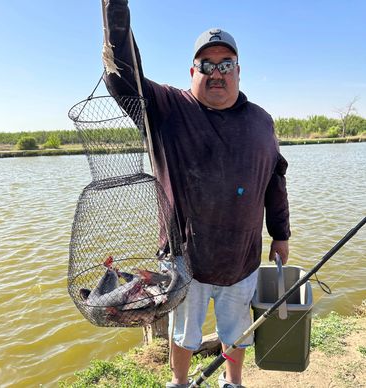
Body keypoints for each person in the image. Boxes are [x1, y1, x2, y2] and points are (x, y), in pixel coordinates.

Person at [103, 2, 290, 387]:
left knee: (236, 332)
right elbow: (123, 74)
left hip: (242, 258)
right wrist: (114, 8)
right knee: (182, 334)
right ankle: (180, 383)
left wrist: (281, 234)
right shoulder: (166, 108)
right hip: (183, 259)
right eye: (206, 65)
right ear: (193, 71)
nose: (216, 72)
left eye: (225, 64)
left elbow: (275, 178)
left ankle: (233, 382)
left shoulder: (261, 120)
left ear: (239, 71)